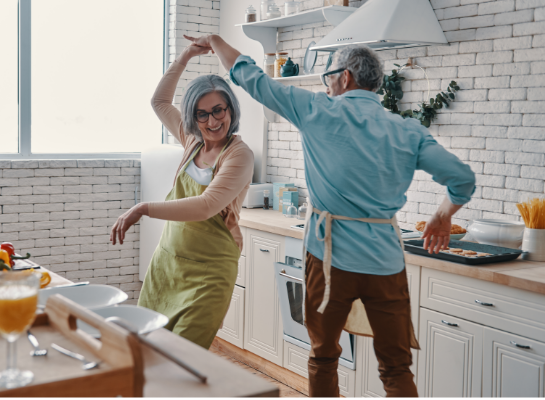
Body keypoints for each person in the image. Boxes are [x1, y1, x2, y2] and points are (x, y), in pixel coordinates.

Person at [187, 34, 476, 398]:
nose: (327, 85)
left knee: (323, 357)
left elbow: (250, 77)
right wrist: (442, 215)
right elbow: (463, 180)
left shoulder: (316, 110)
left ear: (346, 77)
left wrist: (215, 41)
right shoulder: (406, 129)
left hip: (328, 262)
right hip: (385, 263)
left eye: (328, 77)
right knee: (396, 367)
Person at [109, 43, 254, 349]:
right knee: (146, 350)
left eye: (219, 110)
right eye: (202, 115)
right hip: (167, 265)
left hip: (209, 274)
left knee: (183, 357)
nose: (212, 122)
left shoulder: (238, 155)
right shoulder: (193, 141)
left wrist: (144, 208)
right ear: (193, 117)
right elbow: (160, 101)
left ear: (230, 109)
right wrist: (185, 57)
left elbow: (206, 206)